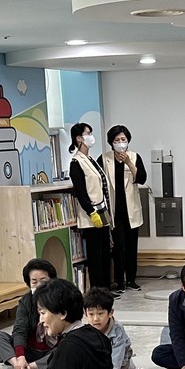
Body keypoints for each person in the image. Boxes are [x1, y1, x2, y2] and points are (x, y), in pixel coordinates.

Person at [0, 258, 57, 369]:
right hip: (29, 350)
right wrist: (20, 356)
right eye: (34, 282)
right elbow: (19, 330)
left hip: (51, 350)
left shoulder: (60, 298)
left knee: (64, 350)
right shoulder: (25, 301)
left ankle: (29, 368)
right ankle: (19, 365)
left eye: (43, 280)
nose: (39, 285)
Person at [101, 125, 147, 292]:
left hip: (131, 210)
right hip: (115, 211)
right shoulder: (104, 158)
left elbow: (142, 178)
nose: (120, 143)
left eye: (123, 140)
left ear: (128, 141)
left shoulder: (134, 157)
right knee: (118, 247)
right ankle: (119, 281)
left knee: (131, 246)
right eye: (117, 140)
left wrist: (128, 162)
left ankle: (131, 280)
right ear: (111, 142)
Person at [68, 122, 113, 290]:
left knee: (105, 253)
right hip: (91, 214)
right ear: (79, 138)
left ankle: (107, 288)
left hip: (103, 211)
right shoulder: (76, 162)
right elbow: (81, 192)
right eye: (88, 133)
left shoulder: (90, 159)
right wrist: (91, 211)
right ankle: (98, 289)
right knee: (95, 255)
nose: (91, 136)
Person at [83, 288, 134, 369]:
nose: (95, 319)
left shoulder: (117, 330)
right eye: (91, 314)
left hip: (119, 365)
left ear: (110, 313)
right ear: (85, 314)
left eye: (100, 313)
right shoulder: (84, 330)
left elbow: (116, 362)